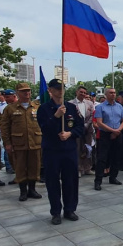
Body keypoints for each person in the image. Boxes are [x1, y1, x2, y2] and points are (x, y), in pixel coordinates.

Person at [36, 78, 83, 224]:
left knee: (70, 181)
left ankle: (70, 209)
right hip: (52, 150)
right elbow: (43, 128)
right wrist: (55, 116)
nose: (60, 91)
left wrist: (70, 134)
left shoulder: (71, 107)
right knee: (53, 182)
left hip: (68, 150)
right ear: (50, 90)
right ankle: (55, 212)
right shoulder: (43, 108)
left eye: (62, 88)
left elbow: (80, 127)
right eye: (56, 88)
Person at [0, 82, 43, 201]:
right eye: (24, 91)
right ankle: (23, 191)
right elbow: (4, 127)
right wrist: (7, 143)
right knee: (20, 167)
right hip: (19, 143)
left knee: (34, 167)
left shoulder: (36, 107)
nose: (27, 93)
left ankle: (32, 190)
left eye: (28, 90)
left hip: (35, 141)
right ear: (17, 93)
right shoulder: (10, 108)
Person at [93, 87, 123, 191]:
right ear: (106, 95)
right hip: (105, 135)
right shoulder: (100, 107)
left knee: (116, 157)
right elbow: (99, 122)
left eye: (114, 93)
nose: (113, 94)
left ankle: (113, 177)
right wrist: (112, 130)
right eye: (111, 93)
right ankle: (98, 181)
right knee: (102, 158)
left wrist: (117, 131)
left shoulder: (119, 106)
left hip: (117, 134)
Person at [69, 85, 96, 176]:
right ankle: (79, 169)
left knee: (88, 149)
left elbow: (92, 115)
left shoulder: (90, 103)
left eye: (84, 93)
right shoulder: (71, 103)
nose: (83, 94)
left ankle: (88, 168)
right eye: (81, 92)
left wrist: (86, 125)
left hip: (88, 130)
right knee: (78, 149)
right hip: (76, 130)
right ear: (76, 92)